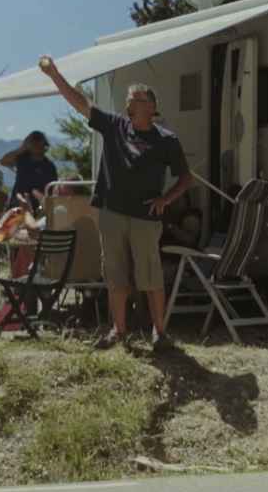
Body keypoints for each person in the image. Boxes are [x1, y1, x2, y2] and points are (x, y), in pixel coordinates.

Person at [39, 56, 191, 350]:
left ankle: (160, 332)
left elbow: (186, 178)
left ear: (152, 106)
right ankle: (118, 330)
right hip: (111, 213)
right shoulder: (114, 126)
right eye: (129, 97)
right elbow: (80, 102)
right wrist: (54, 75)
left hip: (146, 217)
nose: (130, 101)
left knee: (150, 275)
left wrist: (166, 199)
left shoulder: (166, 140)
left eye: (138, 97)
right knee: (115, 274)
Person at [0, 130, 58, 212]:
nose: (36, 145)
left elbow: (52, 191)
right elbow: (3, 162)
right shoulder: (22, 159)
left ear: (44, 145)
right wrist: (22, 148)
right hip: (17, 204)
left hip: (38, 208)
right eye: (33, 141)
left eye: (38, 141)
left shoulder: (49, 166)